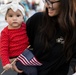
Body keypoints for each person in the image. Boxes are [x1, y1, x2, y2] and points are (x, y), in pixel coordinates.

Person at [13, 0, 76, 75]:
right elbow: (17, 40)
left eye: (51, 2)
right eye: (46, 1)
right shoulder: (37, 19)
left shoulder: (73, 28)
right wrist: (13, 57)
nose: (47, 5)